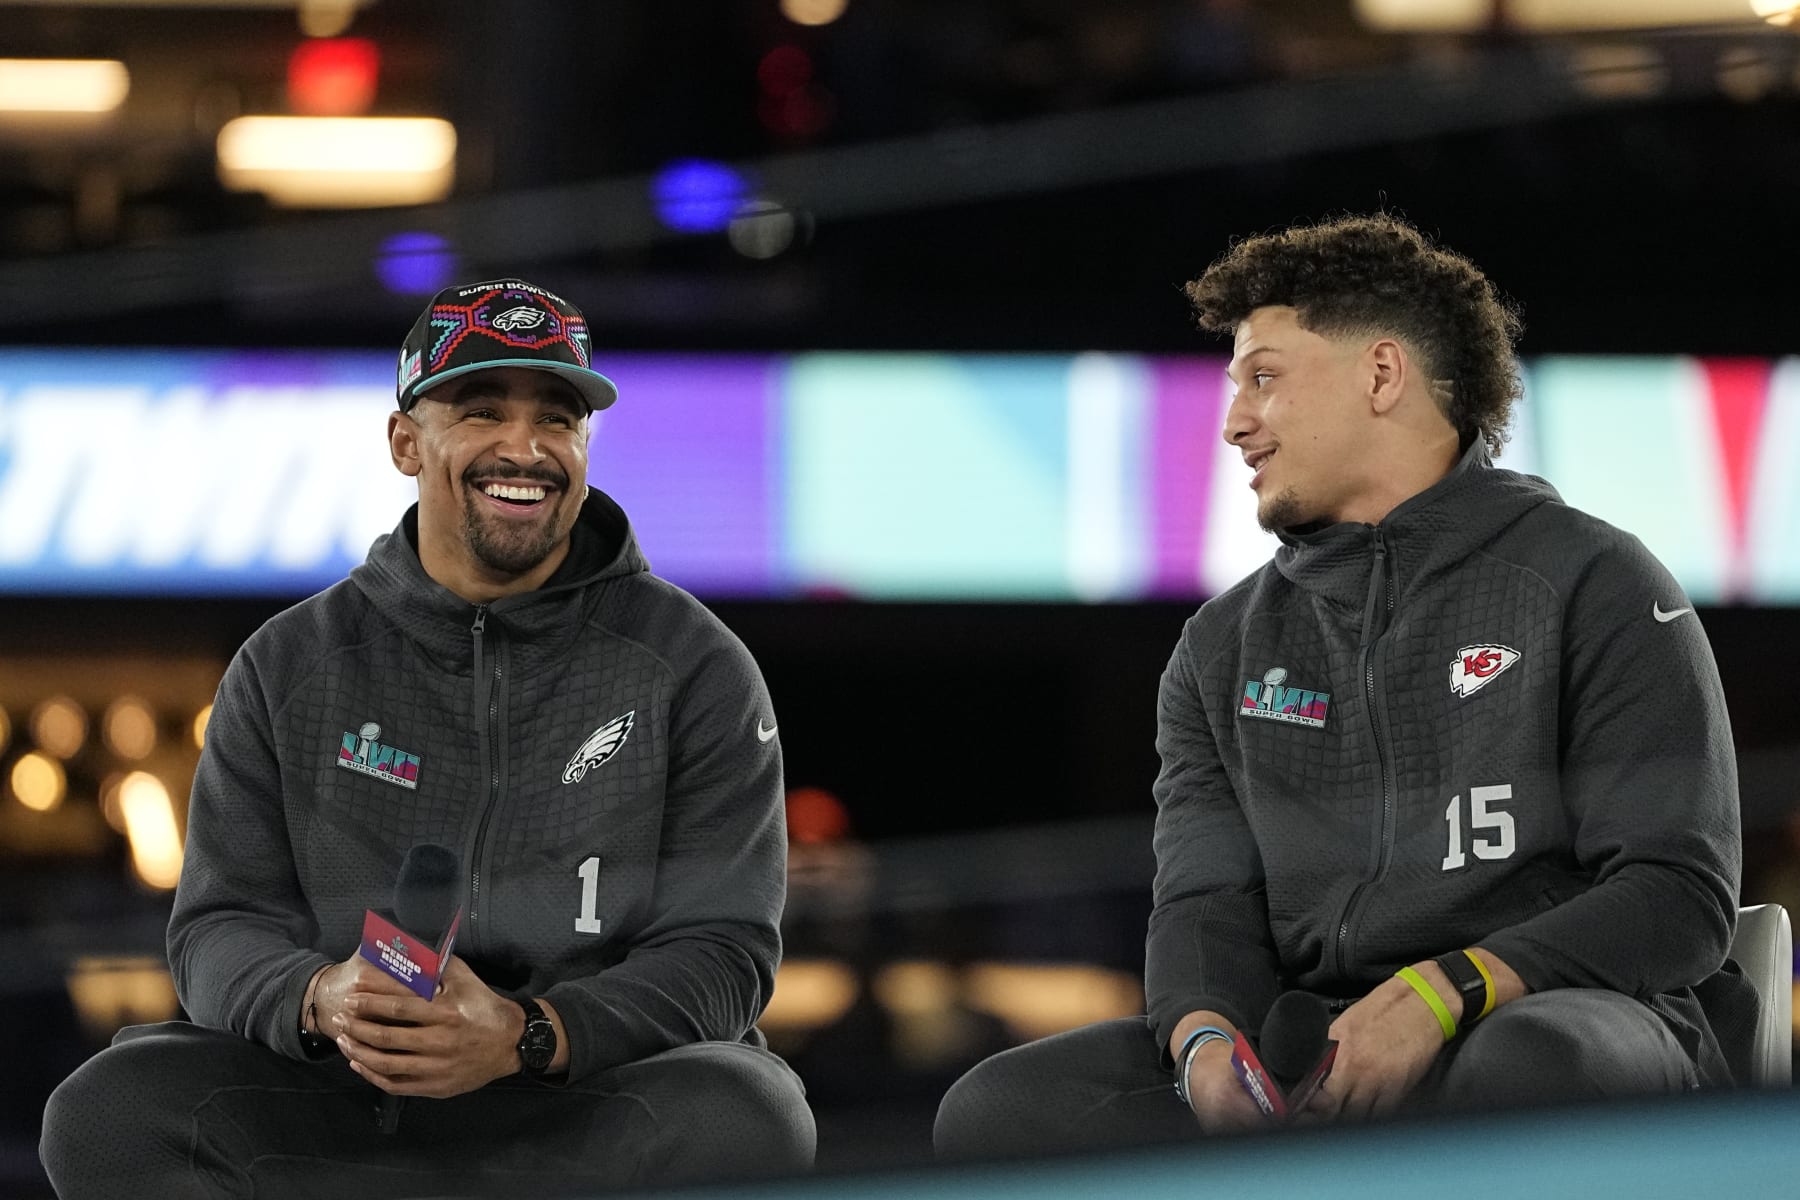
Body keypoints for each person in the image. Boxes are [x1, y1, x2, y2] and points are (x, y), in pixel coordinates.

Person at [934, 214, 1756, 1156]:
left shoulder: (1596, 582)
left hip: (1562, 1014)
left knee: (1531, 1068)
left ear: (1380, 374)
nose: (1236, 421)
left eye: (1265, 377)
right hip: (1315, 1038)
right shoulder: (1220, 644)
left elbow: (1678, 896)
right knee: (999, 1112)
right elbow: (1205, 908)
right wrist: (1206, 1042)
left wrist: (1445, 990)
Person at [41, 278, 815, 1197]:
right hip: (342, 1102)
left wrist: (530, 1034)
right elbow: (218, 928)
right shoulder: (289, 663)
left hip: (580, 1109)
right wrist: (320, 1000)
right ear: (407, 440)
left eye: (558, 419)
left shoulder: (693, 665)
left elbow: (724, 954)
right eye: (481, 409)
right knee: (109, 1109)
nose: (524, 448)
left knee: (751, 1111)